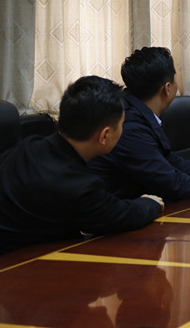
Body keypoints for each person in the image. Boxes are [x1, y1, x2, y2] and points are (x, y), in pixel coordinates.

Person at [0, 76, 164, 255]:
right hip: (19, 263)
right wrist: (150, 203)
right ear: (105, 136)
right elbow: (123, 216)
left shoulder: (29, 146)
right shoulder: (79, 186)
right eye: (121, 125)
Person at [89, 47, 190, 201]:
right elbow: (172, 185)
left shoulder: (136, 112)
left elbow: (172, 161)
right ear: (167, 88)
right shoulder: (129, 126)